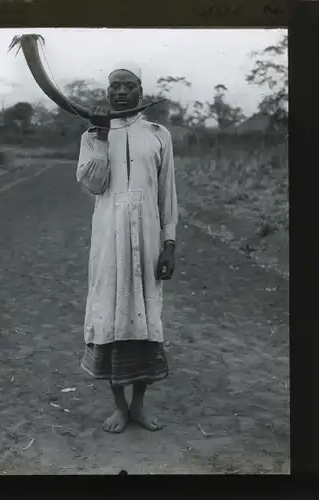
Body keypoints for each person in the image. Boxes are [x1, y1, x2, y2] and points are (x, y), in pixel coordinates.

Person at [76, 62, 178, 433]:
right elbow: (95, 184)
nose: (119, 91)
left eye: (127, 85)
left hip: (149, 239)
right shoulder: (92, 135)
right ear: (107, 93)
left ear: (140, 91)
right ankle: (120, 407)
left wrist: (169, 244)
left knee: (146, 319)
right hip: (109, 240)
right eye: (113, 86)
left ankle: (140, 406)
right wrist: (102, 137)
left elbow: (167, 194)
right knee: (110, 316)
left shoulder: (158, 133)